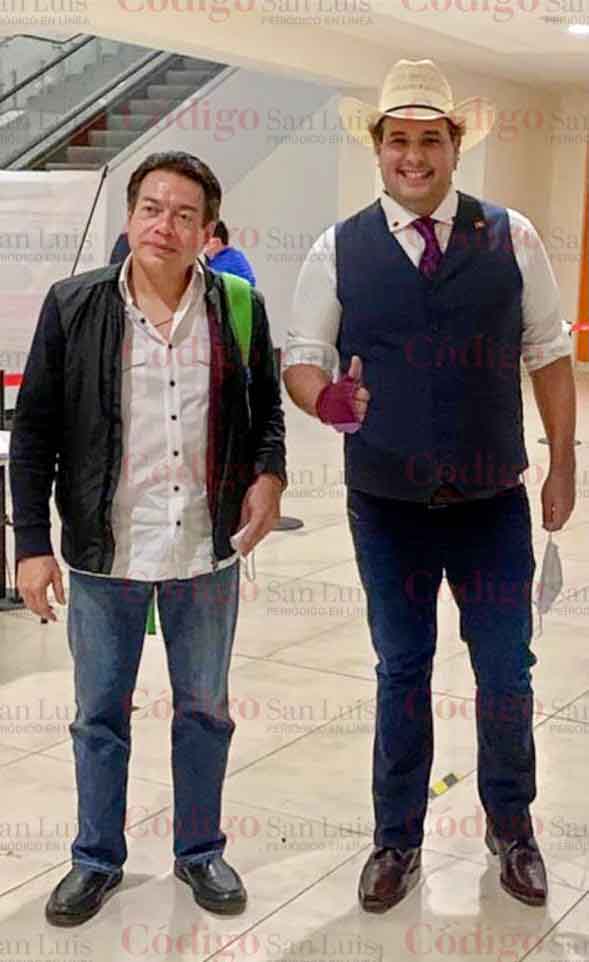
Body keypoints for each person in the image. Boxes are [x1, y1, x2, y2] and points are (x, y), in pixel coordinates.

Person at [284, 60, 576, 913]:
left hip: (491, 502)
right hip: (386, 505)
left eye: (429, 140)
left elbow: (549, 351)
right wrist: (326, 399)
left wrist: (563, 462)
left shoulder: (511, 237)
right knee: (402, 669)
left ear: (454, 146)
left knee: (505, 670)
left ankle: (511, 829)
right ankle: (396, 840)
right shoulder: (338, 247)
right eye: (398, 141)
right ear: (378, 149)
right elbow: (304, 358)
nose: (413, 156)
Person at [10, 151, 286, 926]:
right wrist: (31, 543)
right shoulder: (74, 305)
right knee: (99, 713)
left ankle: (199, 850)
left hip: (206, 546)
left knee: (204, 709)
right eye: (151, 209)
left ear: (207, 231)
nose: (165, 226)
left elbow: (266, 411)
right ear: (130, 216)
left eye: (184, 214)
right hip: (108, 549)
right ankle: (96, 858)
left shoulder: (238, 306)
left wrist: (270, 474)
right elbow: (34, 432)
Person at [204, 220, 257, 285]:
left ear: (216, 242)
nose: (203, 245)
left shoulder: (235, 259)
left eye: (206, 242)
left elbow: (249, 284)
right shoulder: (212, 259)